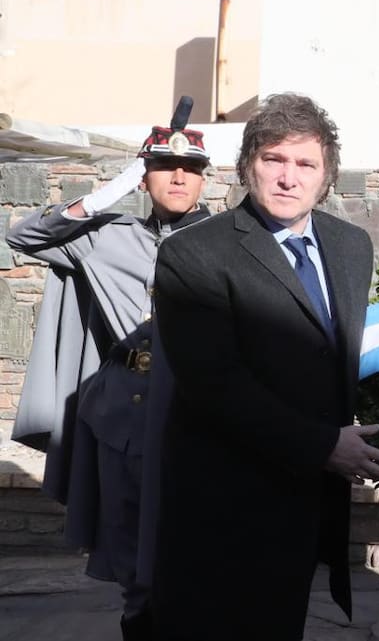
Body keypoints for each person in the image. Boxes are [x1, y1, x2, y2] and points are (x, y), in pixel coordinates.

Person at [149, 93, 379, 641]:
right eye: (274, 160)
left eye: (306, 164)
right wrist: (325, 445)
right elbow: (214, 385)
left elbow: (335, 354)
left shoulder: (351, 246)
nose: (289, 178)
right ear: (248, 166)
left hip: (310, 499)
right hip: (227, 507)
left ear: (326, 176)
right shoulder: (193, 254)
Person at [10, 98, 211, 641]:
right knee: (128, 552)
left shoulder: (225, 241)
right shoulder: (106, 235)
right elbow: (22, 237)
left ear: (203, 180)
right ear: (143, 177)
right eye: (164, 166)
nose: (178, 177)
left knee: (189, 546)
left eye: (190, 168)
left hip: (194, 413)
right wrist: (103, 195)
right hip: (123, 416)